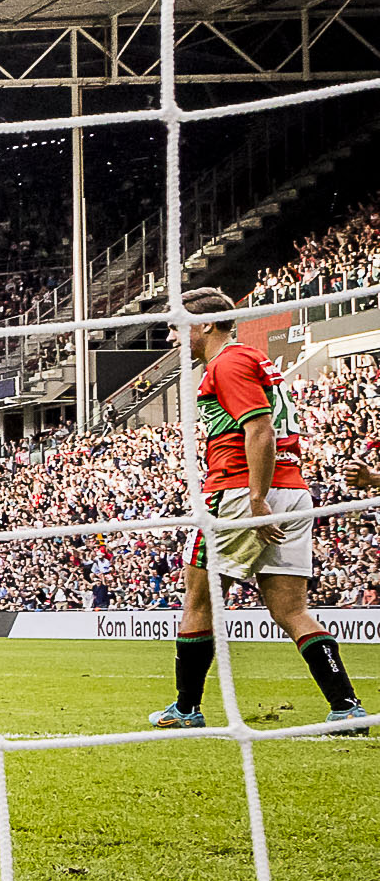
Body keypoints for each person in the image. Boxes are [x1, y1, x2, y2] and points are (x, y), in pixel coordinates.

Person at [152, 288, 367, 733]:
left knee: (199, 599)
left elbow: (260, 429)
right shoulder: (253, 359)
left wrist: (255, 495)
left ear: (206, 325)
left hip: (240, 493)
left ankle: (186, 709)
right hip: (292, 492)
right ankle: (346, 707)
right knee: (291, 610)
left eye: (179, 326)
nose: (175, 337)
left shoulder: (227, 363)